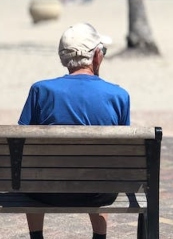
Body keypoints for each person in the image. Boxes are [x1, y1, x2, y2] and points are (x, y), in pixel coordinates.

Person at [17, 22, 130, 239]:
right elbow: (121, 155)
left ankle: (36, 237)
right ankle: (99, 236)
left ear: (63, 58)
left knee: (32, 169)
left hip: (45, 192)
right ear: (97, 56)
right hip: (99, 194)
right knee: (102, 167)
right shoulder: (118, 96)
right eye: (102, 52)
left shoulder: (41, 91)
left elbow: (22, 144)